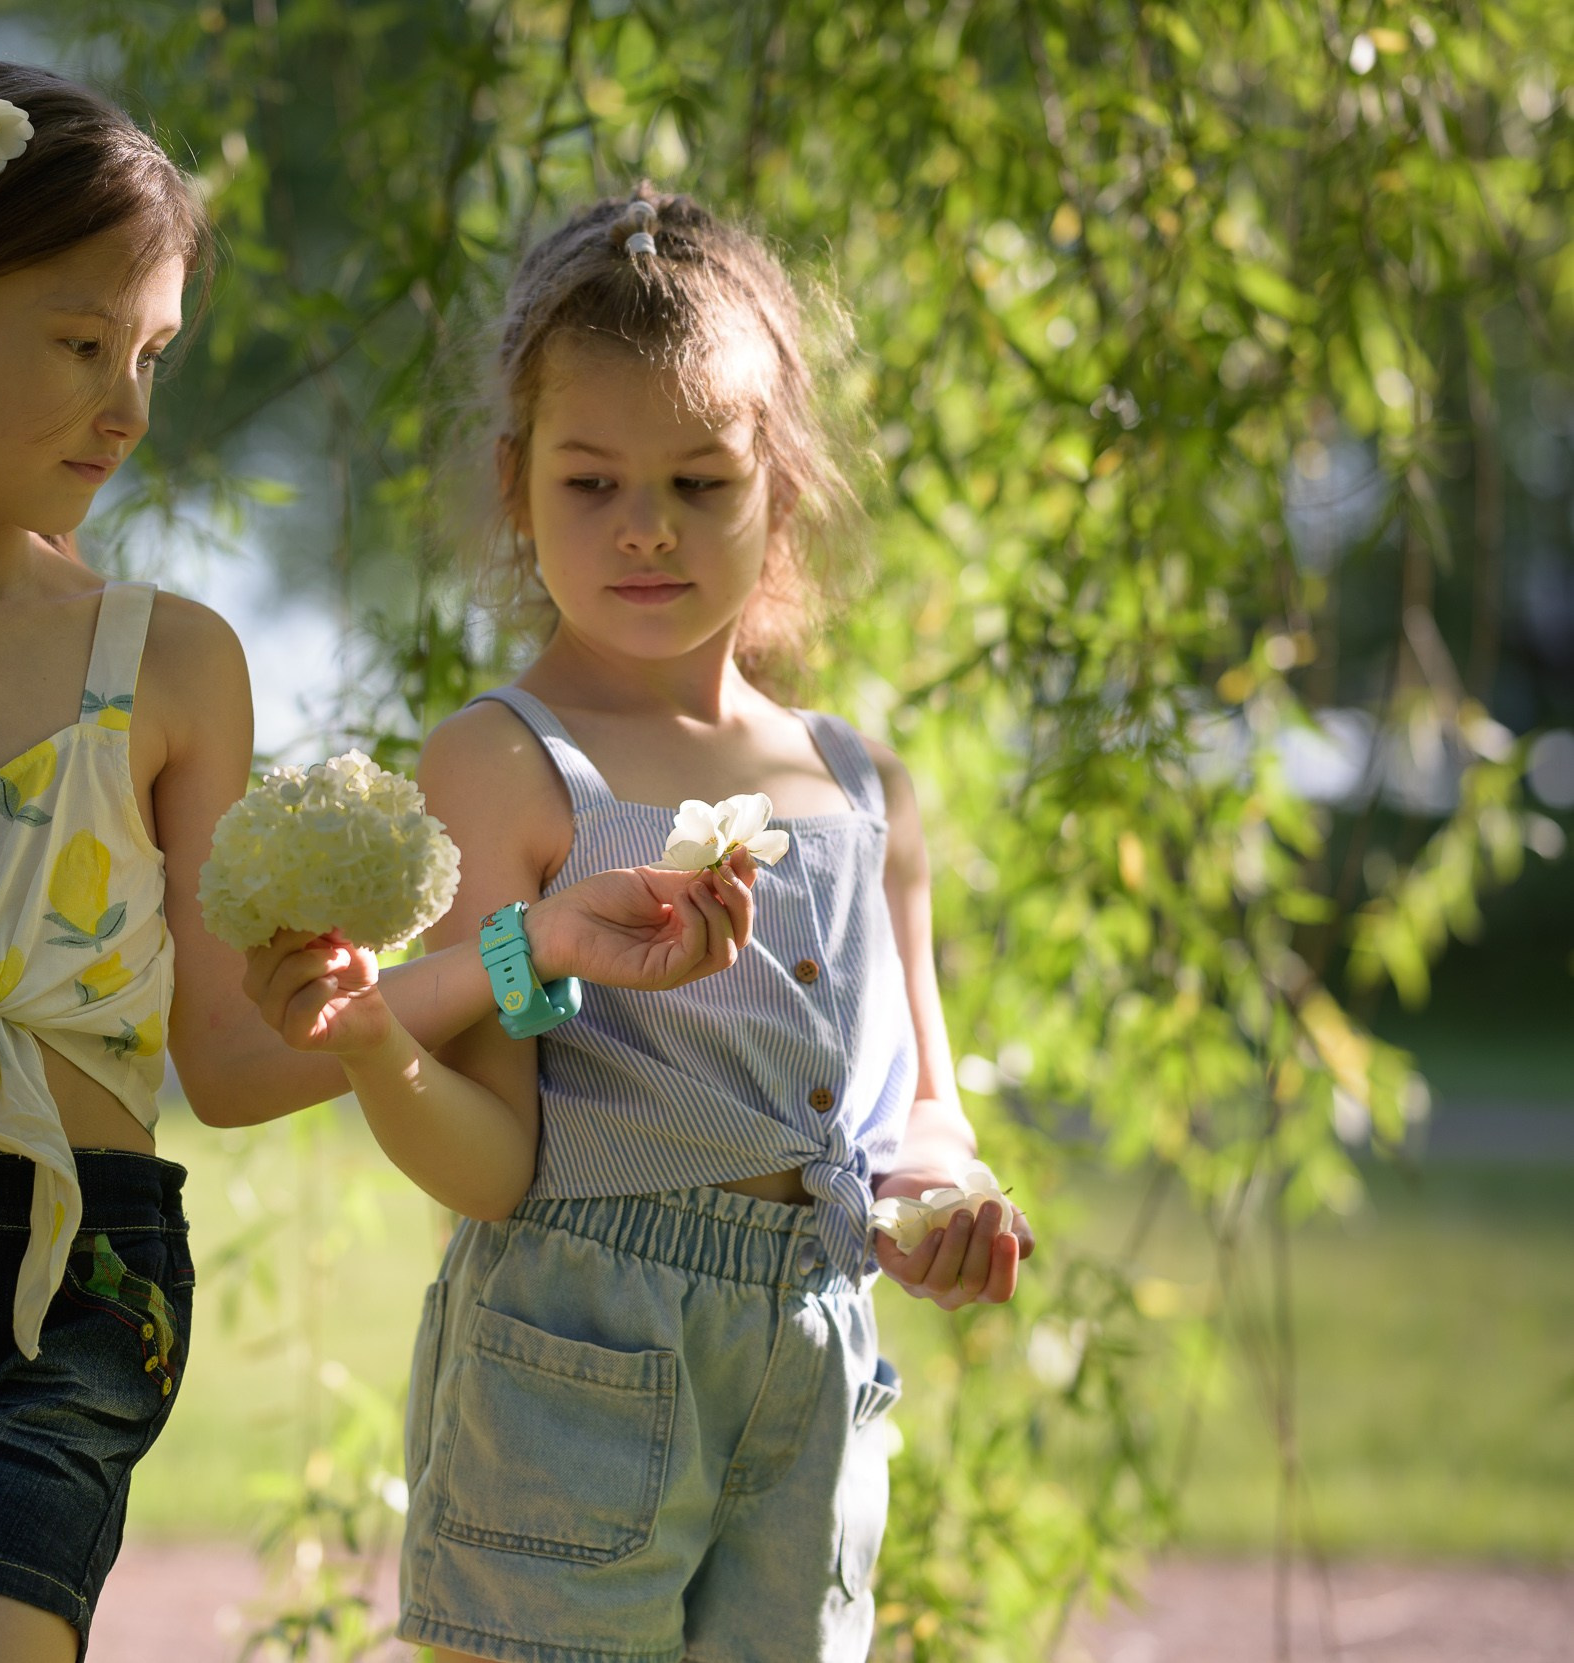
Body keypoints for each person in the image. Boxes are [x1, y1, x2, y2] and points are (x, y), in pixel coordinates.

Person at [0, 68, 765, 1663]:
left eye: (151, 355)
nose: (130, 410)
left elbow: (245, 1054)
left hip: (68, 1297)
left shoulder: (169, 668)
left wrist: (525, 947)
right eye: (82, 348)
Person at [241, 188, 1037, 1663]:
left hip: (811, 1378)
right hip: (578, 1367)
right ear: (514, 483)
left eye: (701, 483)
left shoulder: (866, 789)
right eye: (592, 483)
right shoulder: (511, 763)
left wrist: (943, 1203)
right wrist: (375, 1052)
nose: (646, 530)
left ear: (780, 489)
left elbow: (919, 1105)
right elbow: (492, 1169)